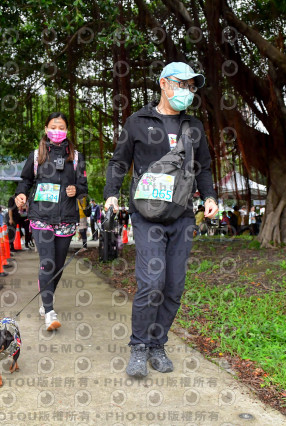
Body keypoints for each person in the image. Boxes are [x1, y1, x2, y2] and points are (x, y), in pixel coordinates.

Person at [103, 62, 218, 378]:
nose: (188, 92)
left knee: (173, 286)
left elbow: (204, 167)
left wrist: (209, 197)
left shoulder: (193, 126)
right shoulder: (138, 121)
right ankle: (139, 347)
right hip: (147, 216)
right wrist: (111, 194)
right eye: (183, 85)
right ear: (164, 84)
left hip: (182, 216)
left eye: (192, 87)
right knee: (152, 282)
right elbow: (118, 161)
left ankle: (158, 344)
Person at [15, 112, 88, 331]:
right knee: (47, 262)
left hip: (66, 217)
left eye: (62, 127)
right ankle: (49, 311)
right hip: (41, 216)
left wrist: (77, 190)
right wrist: (20, 194)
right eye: (53, 126)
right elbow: (25, 180)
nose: (57, 130)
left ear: (67, 131)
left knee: (57, 265)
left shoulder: (75, 157)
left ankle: (46, 298)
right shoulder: (37, 154)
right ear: (46, 129)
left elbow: (84, 187)